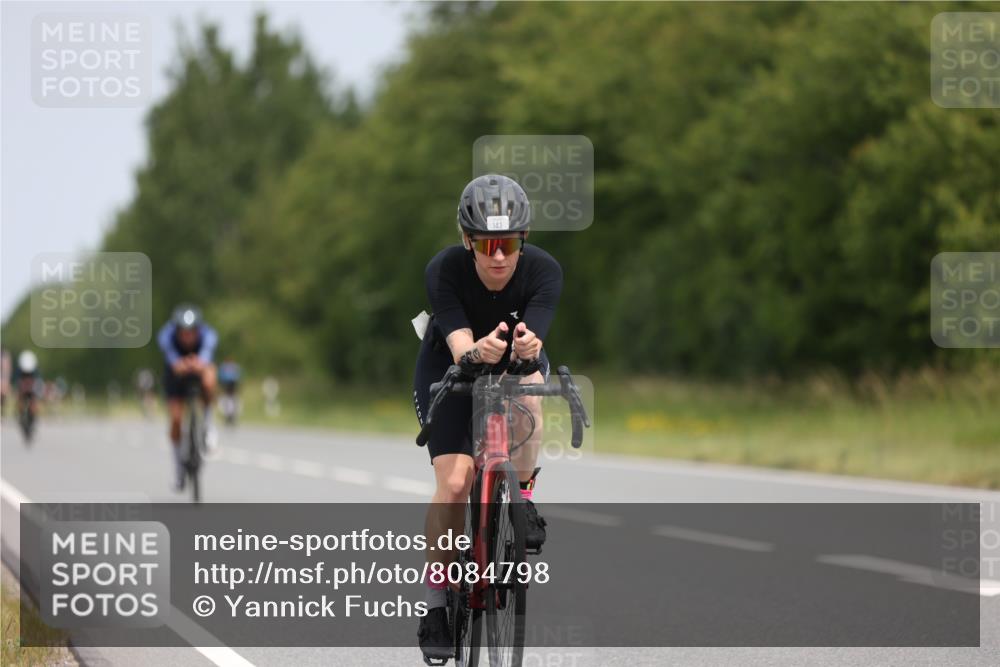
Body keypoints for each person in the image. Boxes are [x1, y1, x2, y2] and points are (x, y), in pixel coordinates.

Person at [413, 174, 562, 660]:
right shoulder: (444, 270)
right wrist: (479, 351)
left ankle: (523, 498)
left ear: (524, 239)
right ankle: (437, 604)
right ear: (467, 241)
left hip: (514, 363)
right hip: (450, 366)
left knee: (532, 393)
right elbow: (462, 350)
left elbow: (533, 342)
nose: (498, 257)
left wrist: (527, 347)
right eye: (486, 244)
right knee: (456, 483)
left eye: (509, 244)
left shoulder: (544, 270)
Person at [157, 304, 218, 491]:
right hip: (176, 373)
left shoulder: (207, 335)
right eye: (183, 333)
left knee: (210, 377)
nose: (188, 337)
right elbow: (169, 353)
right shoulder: (167, 336)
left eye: (192, 333)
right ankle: (179, 471)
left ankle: (208, 425)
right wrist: (177, 362)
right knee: (176, 419)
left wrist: (201, 362)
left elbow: (209, 349)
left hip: (198, 366)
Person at [217, 358, 242, 424]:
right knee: (229, 399)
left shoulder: (226, 367)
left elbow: (221, 377)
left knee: (231, 399)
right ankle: (229, 415)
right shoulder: (233, 367)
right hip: (229, 385)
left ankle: (231, 415)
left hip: (230, 385)